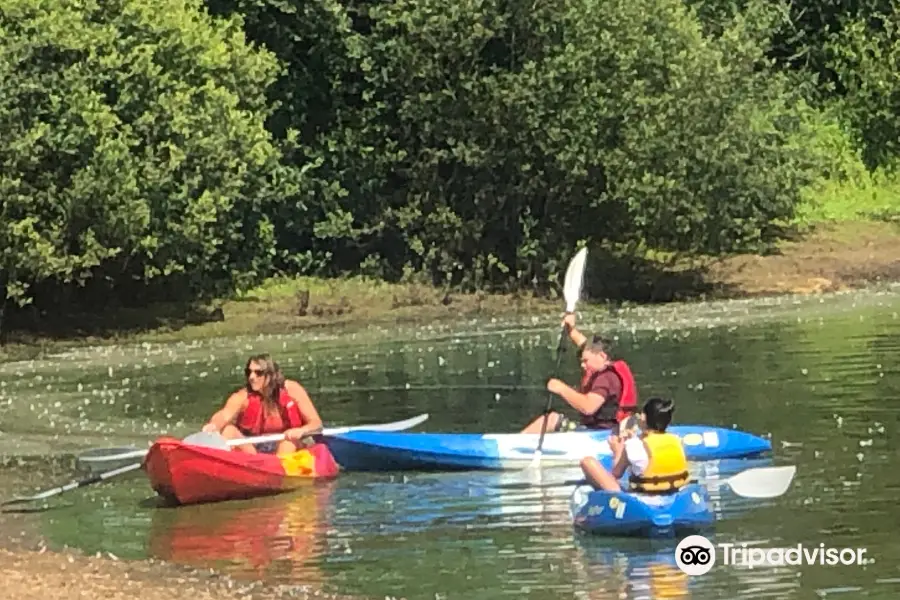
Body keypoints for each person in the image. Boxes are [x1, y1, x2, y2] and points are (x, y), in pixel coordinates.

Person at [521, 312, 639, 434]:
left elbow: (588, 407)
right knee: (552, 419)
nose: (582, 365)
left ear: (602, 356)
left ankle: (513, 442)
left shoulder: (606, 378)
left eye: (585, 361)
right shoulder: (603, 359)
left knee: (552, 419)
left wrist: (561, 388)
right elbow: (585, 345)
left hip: (602, 434)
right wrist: (571, 329)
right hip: (603, 430)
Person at [201, 353, 324, 455]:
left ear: (270, 375)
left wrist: (302, 430)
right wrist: (214, 425)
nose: (251, 377)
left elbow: (316, 423)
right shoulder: (242, 397)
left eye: (258, 373)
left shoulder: (292, 389)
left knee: (288, 441)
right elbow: (224, 415)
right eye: (249, 372)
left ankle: (279, 475)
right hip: (255, 451)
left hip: (288, 447)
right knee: (229, 430)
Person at [580, 396, 690, 494]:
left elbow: (616, 474)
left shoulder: (633, 445)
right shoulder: (677, 441)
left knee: (587, 462)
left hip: (644, 500)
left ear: (643, 418)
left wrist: (618, 450)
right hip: (673, 493)